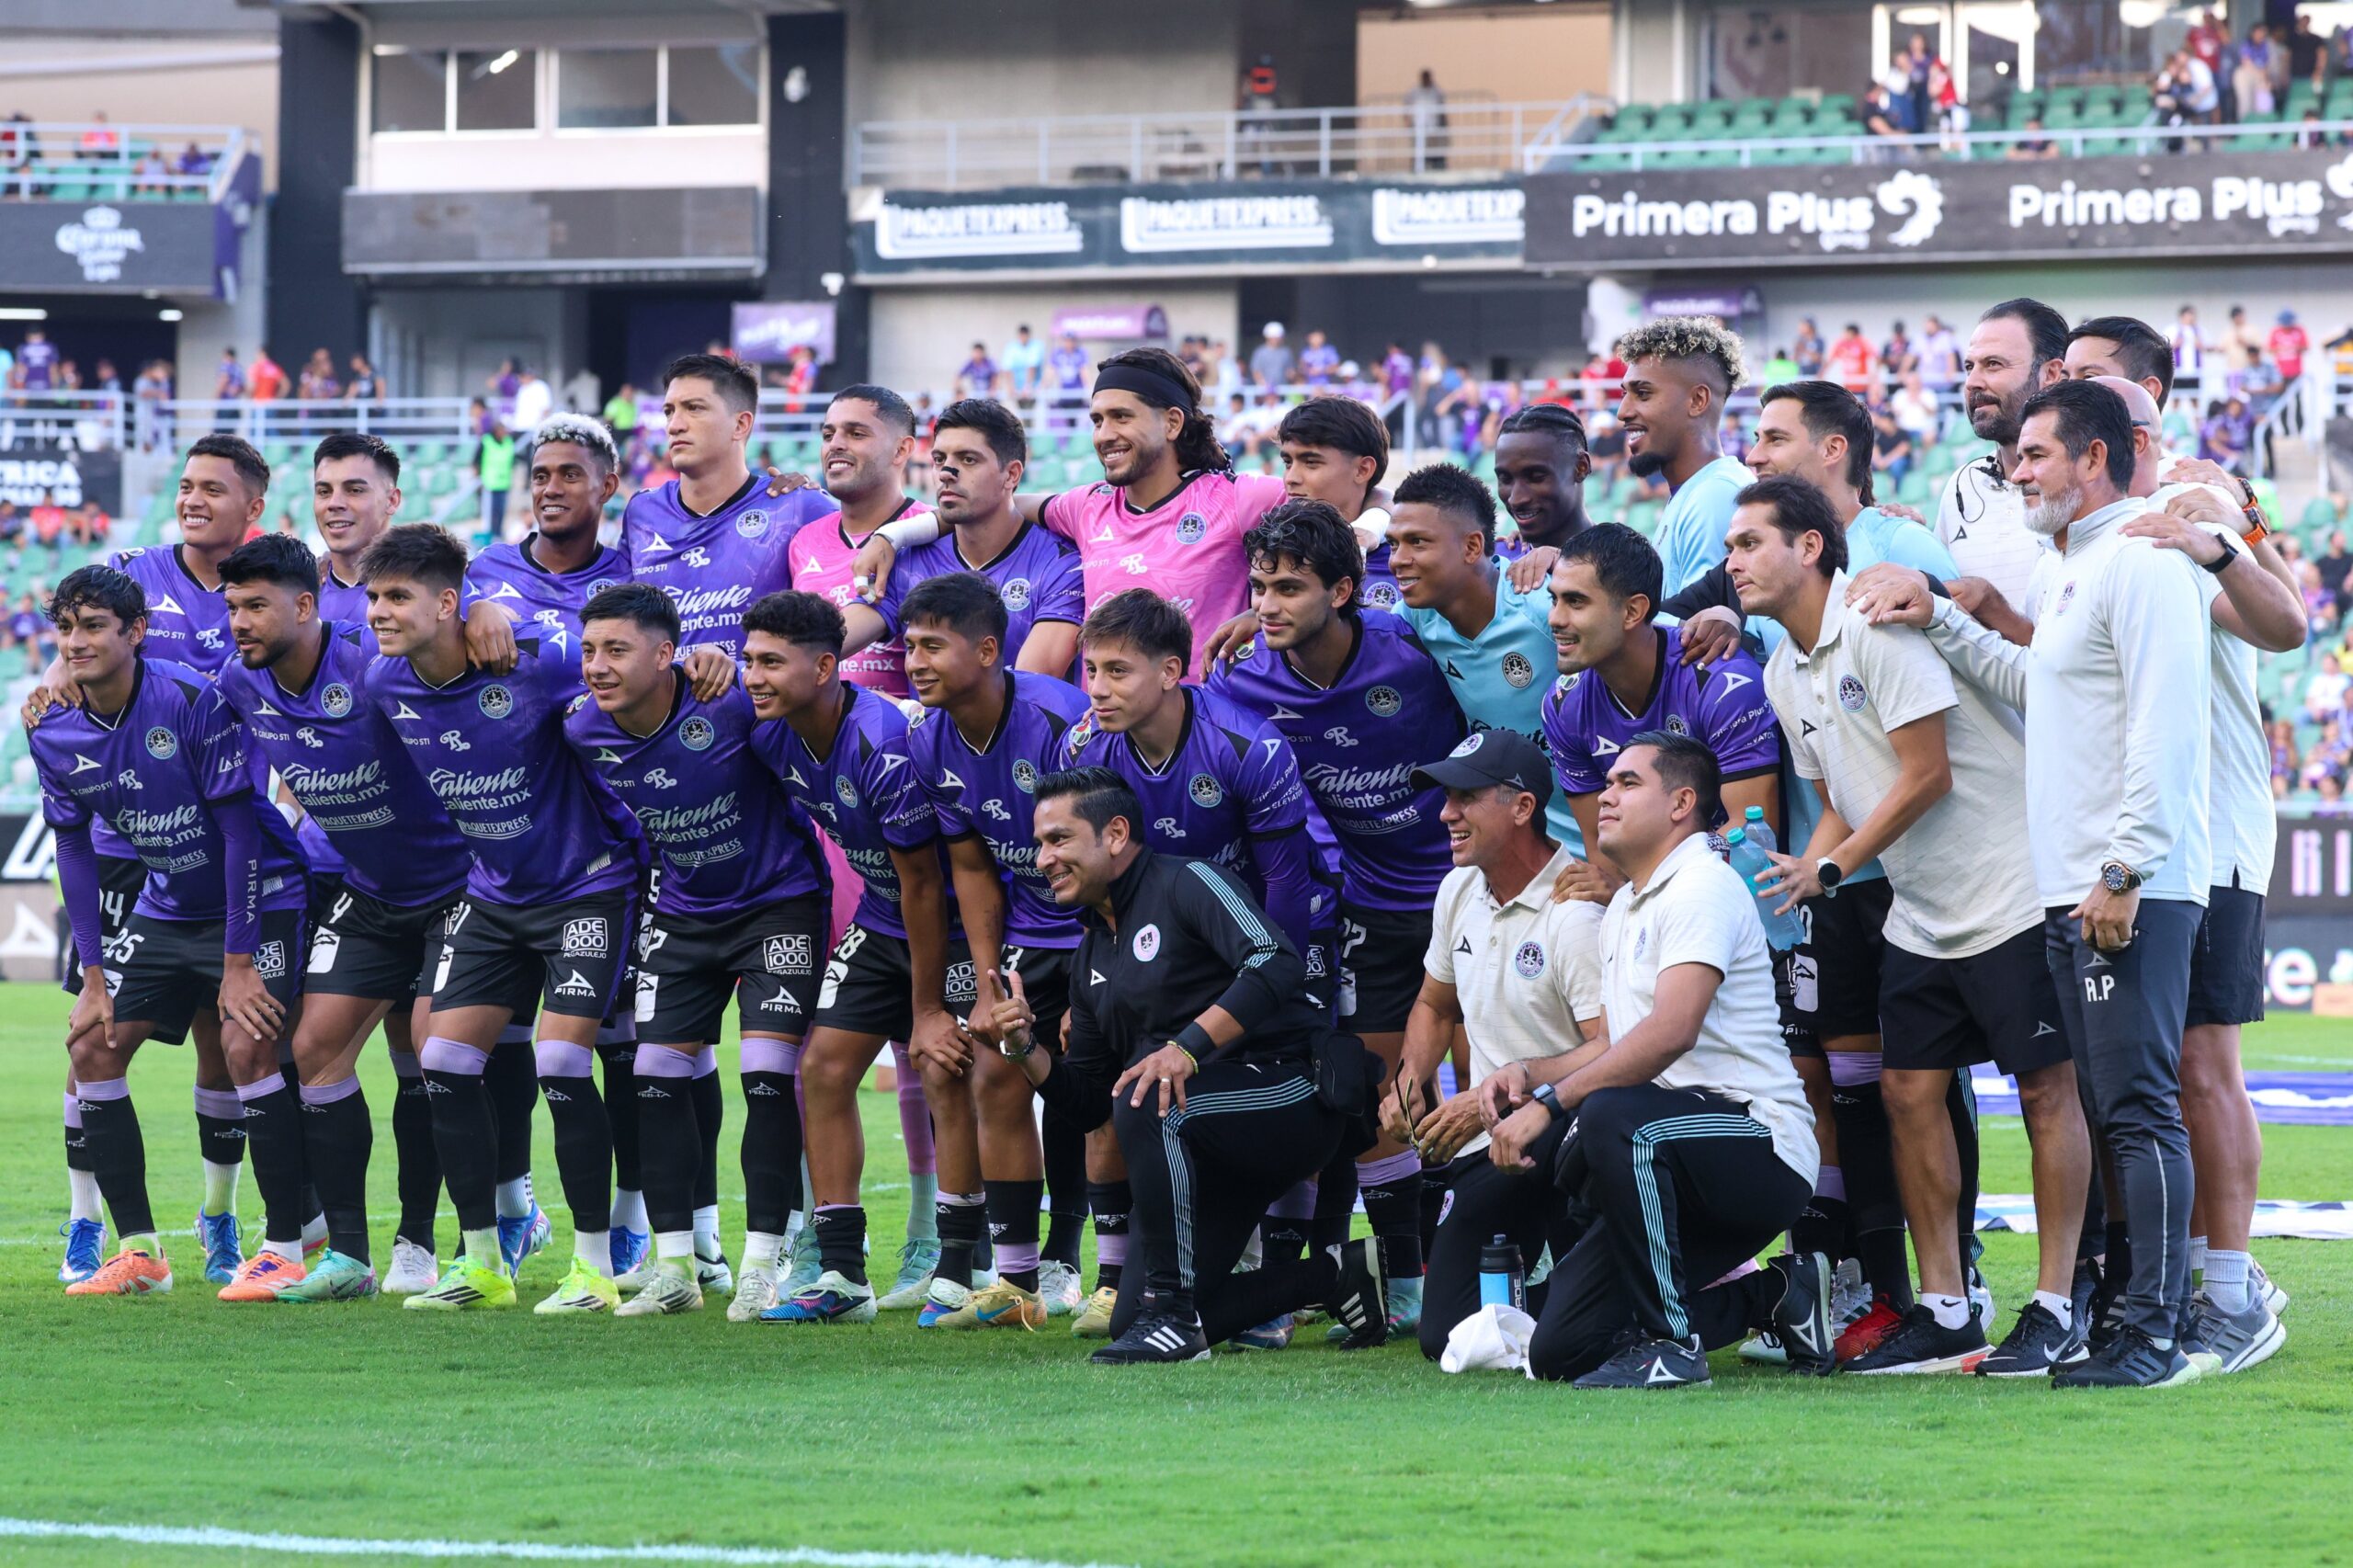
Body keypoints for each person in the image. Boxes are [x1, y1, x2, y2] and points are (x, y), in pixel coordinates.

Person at [1848, 381, 2213, 1388]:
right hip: (2078, 885)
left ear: (2094, 457)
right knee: (2113, 1103)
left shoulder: (2140, 558)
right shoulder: (2076, 567)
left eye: (2037, 455)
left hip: (2123, 884)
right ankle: (2130, 1323)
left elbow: (2167, 723)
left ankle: (2153, 1333)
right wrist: (1944, 622)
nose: (2016, 472)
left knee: (2137, 1106)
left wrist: (2124, 868)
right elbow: (2038, 689)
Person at [1725, 477, 2089, 1375]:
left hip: (2011, 885)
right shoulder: (1781, 668)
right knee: (1904, 1092)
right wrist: (1798, 872)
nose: (1730, 561)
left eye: (1748, 542)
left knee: (2046, 1093)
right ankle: (1946, 1307)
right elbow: (1844, 797)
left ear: (1808, 546)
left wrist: (1831, 868)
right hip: (1924, 910)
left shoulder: (1876, 628)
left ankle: (2054, 1304)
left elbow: (1928, 774)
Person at [985, 767, 1387, 1362]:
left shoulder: (1187, 881)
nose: (1042, 858)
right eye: (1039, 843)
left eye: (1058, 839)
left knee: (1150, 1096)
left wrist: (1186, 1048)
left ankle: (1173, 1314)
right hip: (1199, 1134)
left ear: (1116, 834)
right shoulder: (1091, 951)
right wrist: (1025, 1051)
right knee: (1129, 1318)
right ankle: (1330, 1276)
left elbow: (1277, 961)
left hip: (1292, 1093)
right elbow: (1095, 1103)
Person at [1483, 733, 1829, 1387]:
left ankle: (1671, 1348)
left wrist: (1553, 1103)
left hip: (1760, 1145)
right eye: (1607, 783)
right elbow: (1619, 1047)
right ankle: (1779, 1294)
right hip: (1671, 1147)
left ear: (1682, 803)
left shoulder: (1702, 885)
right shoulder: (1626, 906)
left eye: (1627, 783)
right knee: (1562, 1352)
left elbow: (1671, 1032)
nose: (1605, 796)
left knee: (1608, 1115)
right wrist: (1530, 1075)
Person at [362, 523, 647, 1315]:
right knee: (443, 1063)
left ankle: (594, 1268)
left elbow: (624, 675)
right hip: (490, 896)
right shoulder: (385, 683)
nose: (379, 612)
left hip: (586, 888)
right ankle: (484, 1263)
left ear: (448, 603)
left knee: (561, 1065)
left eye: (398, 597)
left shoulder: (539, 659)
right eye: (374, 596)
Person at [1209, 500, 1466, 1335]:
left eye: (1290, 588)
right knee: (1372, 1097)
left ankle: (1513, 1263)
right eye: (1259, 588)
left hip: (1470, 893)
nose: (1269, 605)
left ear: (1346, 590)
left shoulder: (1419, 654)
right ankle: (1407, 1279)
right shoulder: (1242, 675)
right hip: (1370, 909)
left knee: (1501, 1077)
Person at [213, 533, 473, 1301]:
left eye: (256, 606)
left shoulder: (375, 664)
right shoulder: (237, 680)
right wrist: (65, 674)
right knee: (315, 1048)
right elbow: (168, 700)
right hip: (366, 890)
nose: (240, 623)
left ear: (305, 604)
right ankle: (349, 1260)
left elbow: (468, 663)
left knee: (432, 1052)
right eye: (231, 608)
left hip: (459, 887)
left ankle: (427, 1243)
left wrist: (486, 613)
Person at [38, 565, 310, 1298]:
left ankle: (284, 1245)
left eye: (94, 626)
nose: (77, 641)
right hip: (164, 908)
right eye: (66, 628)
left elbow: (240, 836)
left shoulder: (191, 700)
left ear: (136, 632)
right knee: (92, 1044)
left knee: (247, 1046)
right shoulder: (52, 728)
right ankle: (140, 1254)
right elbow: (73, 850)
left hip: (261, 899)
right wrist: (93, 979)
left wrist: (239, 962)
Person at [566, 584, 829, 1320]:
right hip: (682, 915)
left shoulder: (731, 701)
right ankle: (676, 1266)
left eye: (616, 650)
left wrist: (723, 659)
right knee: (653, 1076)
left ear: (665, 654)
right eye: (589, 650)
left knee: (768, 1076)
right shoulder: (586, 732)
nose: (598, 666)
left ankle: (761, 1265)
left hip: (778, 904)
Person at [738, 592, 973, 1325]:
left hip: (955, 924)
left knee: (945, 1070)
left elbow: (927, 884)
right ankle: (841, 1273)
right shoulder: (775, 738)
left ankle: (963, 1265)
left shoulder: (884, 745)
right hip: (883, 912)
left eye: (772, 662)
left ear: (827, 667)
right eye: (748, 661)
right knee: (824, 1067)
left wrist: (927, 1008)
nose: (754, 677)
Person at [898, 572, 1094, 1326]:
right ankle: (1014, 1285)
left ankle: (1074, 1263)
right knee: (995, 1077)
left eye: (933, 646)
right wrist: (986, 986)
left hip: (1095, 928)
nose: (915, 661)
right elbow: (973, 868)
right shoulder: (927, 737)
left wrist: (1099, 975)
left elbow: (1109, 852)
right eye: (909, 645)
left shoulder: (1061, 722)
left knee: (1091, 1090)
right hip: (1026, 939)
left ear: (987, 650)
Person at [858, 347, 1287, 680]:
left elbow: (1340, 518)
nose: (1104, 435)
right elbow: (987, 501)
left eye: (1121, 417)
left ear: (1172, 423)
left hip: (1205, 737)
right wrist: (893, 536)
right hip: (1106, 741)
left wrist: (1262, 611)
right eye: (1097, 420)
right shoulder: (1087, 506)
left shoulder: (1240, 497)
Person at [1382, 728, 1602, 1358]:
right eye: (1447, 797)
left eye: (1465, 797)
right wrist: (1409, 1080)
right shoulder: (1458, 889)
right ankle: (1563, 1299)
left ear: (1523, 807)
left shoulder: (1575, 911)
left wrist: (1503, 1088)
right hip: (1489, 1139)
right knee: (1443, 1335)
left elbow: (1613, 1048)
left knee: (1580, 1339)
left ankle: (1737, 1291)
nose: (1446, 813)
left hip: (1571, 1136)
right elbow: (1433, 1002)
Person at [1540, 524, 1780, 873]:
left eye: (1576, 602)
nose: (1555, 619)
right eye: (1554, 599)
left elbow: (1753, 836)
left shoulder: (1722, 684)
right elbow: (1604, 849)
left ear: (1633, 611)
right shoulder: (1564, 705)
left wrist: (1643, 880)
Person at [623, 353, 831, 655]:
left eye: (694, 408)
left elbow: (836, 625)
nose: (674, 425)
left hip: (760, 702)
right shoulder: (641, 513)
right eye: (669, 411)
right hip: (664, 703)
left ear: (741, 425)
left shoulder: (798, 506)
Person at [882, 398, 1084, 676]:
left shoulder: (1062, 563)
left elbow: (1028, 691)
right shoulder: (907, 560)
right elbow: (827, 649)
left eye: (968, 460)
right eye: (940, 459)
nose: (946, 474)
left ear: (1012, 474)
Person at [783, 384, 933, 697]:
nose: (835, 445)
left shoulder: (933, 533)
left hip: (900, 739)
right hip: (812, 740)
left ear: (902, 450)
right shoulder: (802, 539)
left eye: (856, 434)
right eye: (828, 435)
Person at [1935, 297, 2068, 609]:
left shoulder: (2085, 488)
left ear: (2050, 374)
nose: (1972, 382)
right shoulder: (1962, 485)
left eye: (1993, 364)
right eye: (1970, 367)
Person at [1614, 316, 1755, 595]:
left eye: (1642, 393)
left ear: (1697, 401)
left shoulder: (1714, 495)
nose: (1623, 412)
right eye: (1625, 394)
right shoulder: (1695, 490)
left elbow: (1694, 633)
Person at [1275, 394, 1402, 608]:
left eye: (1311, 462)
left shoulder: (1402, 562)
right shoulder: (1268, 545)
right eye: (1288, 462)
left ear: (1362, 470)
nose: (1290, 478)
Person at [511, 365, 552, 436]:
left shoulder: (540, 386)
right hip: (519, 427)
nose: (520, 380)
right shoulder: (522, 389)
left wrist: (541, 426)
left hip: (533, 429)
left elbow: (546, 408)